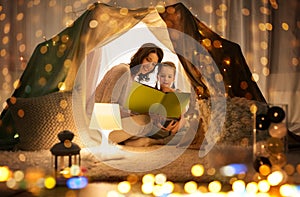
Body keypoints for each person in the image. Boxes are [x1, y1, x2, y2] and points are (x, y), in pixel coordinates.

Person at [94, 43, 183, 146]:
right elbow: (106, 105)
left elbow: (124, 107)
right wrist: (139, 115)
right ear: (140, 56)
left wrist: (145, 112)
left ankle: (130, 140)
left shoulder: (134, 79)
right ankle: (116, 139)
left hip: (117, 123)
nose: (149, 66)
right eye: (148, 60)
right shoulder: (123, 70)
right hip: (102, 121)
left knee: (152, 123)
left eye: (154, 64)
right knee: (145, 121)